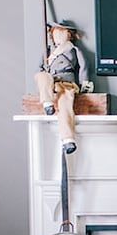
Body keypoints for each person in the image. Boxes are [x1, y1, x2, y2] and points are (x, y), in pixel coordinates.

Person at [35, 20, 92, 153]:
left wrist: (84, 84)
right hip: (51, 81)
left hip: (66, 82)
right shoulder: (48, 50)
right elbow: (40, 67)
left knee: (66, 106)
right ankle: (47, 103)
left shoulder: (73, 49)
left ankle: (68, 139)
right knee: (42, 76)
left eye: (62, 32)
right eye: (57, 32)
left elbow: (84, 67)